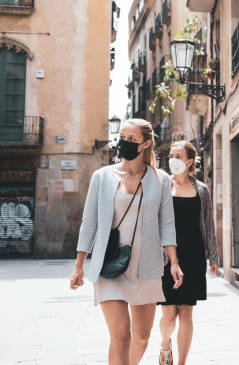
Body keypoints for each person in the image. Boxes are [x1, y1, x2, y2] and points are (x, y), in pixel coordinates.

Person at [69, 118, 183, 365]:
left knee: (141, 338)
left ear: (146, 144)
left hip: (147, 267)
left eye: (132, 139)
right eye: (122, 138)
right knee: (120, 335)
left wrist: (173, 261)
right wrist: (79, 265)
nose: (124, 143)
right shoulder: (102, 177)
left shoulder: (161, 180)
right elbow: (89, 222)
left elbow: (167, 223)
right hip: (109, 266)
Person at [158, 140, 219, 365]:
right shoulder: (163, 187)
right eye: (171, 155)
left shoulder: (201, 189)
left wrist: (214, 255)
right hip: (167, 256)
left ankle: (181, 362)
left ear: (190, 161)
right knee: (168, 315)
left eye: (178, 156)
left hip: (193, 255)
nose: (173, 159)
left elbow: (208, 223)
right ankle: (165, 344)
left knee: (186, 312)